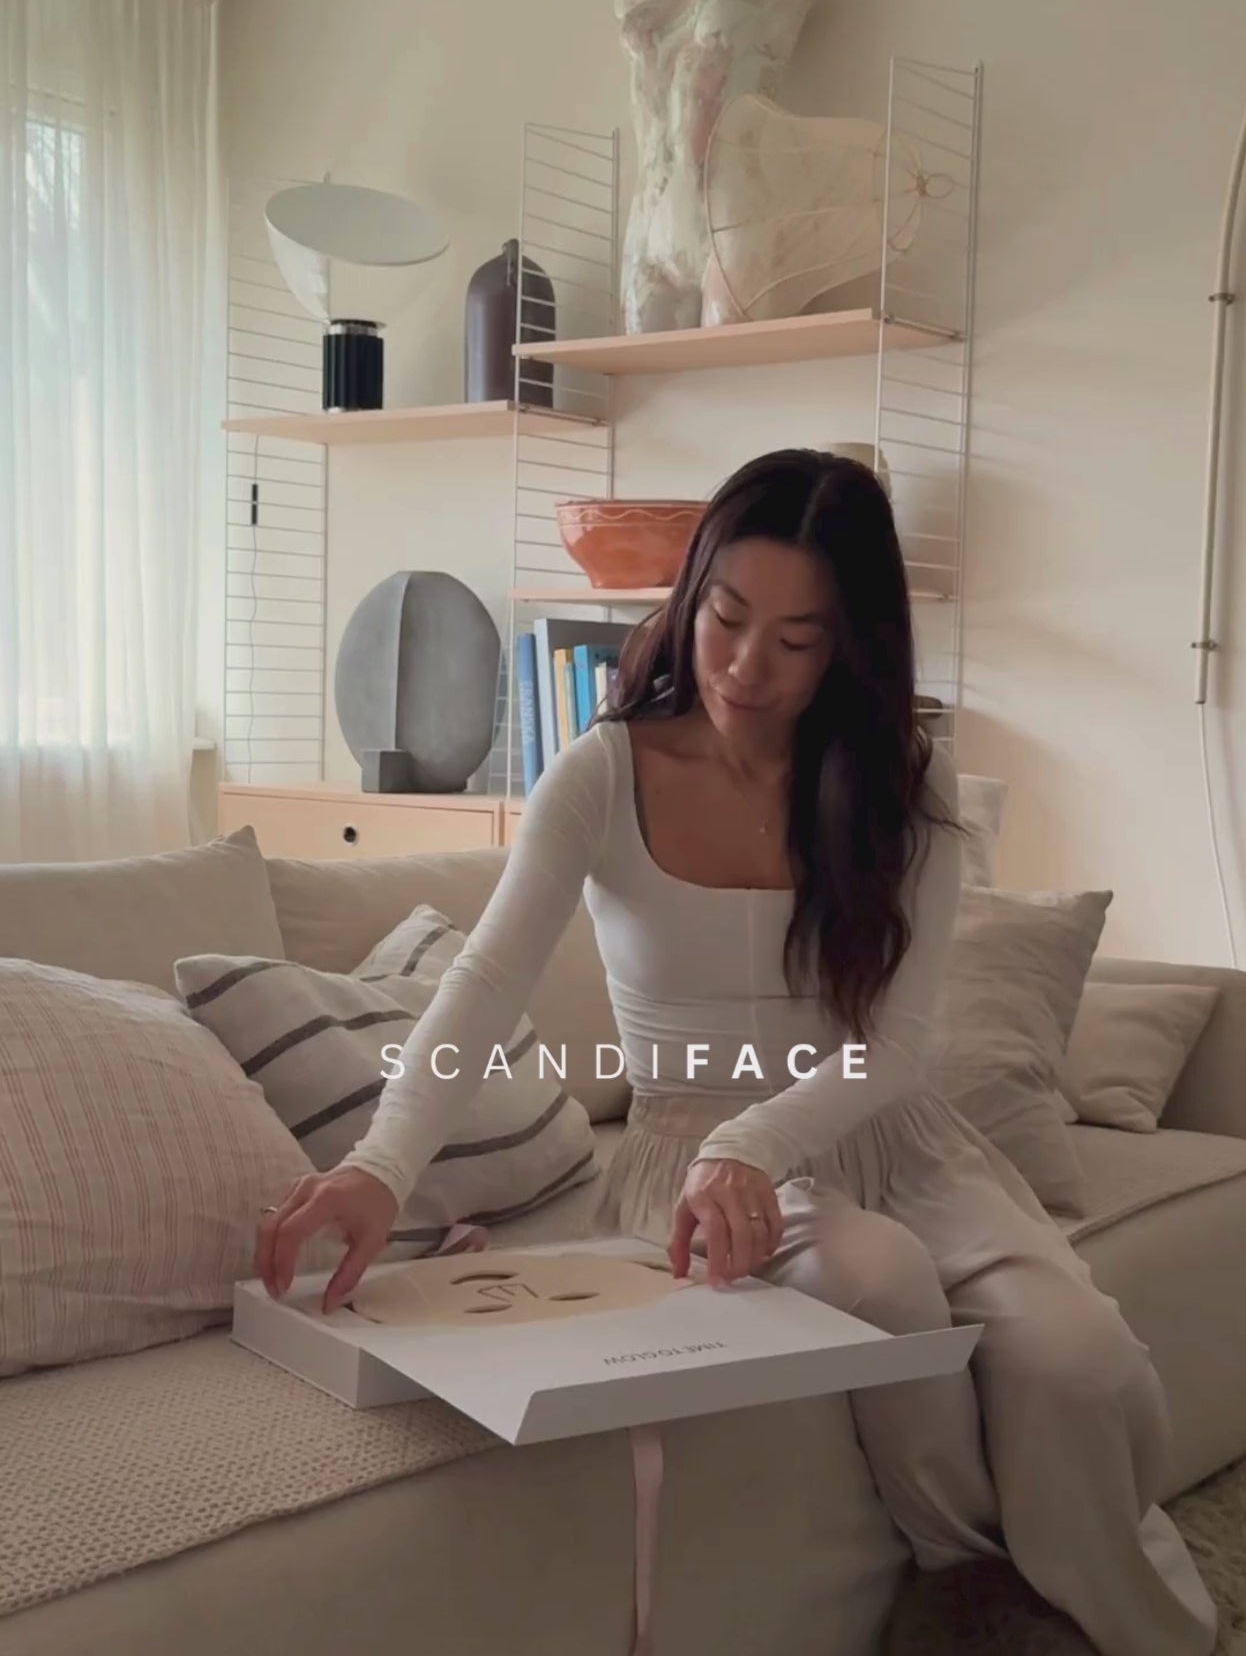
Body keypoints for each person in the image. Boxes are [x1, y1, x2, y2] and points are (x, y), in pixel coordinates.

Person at [256, 449, 1215, 1656]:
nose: (746, 667)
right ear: (689, 597)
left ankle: (1152, 1635)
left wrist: (757, 1142)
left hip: (890, 1138)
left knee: (1082, 1363)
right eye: (725, 617)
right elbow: (484, 987)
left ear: (848, 647)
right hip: (688, 1160)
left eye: (796, 640)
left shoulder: (905, 782)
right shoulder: (602, 773)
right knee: (877, 1279)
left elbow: (899, 1045)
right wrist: (380, 1168)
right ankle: (978, 1595)